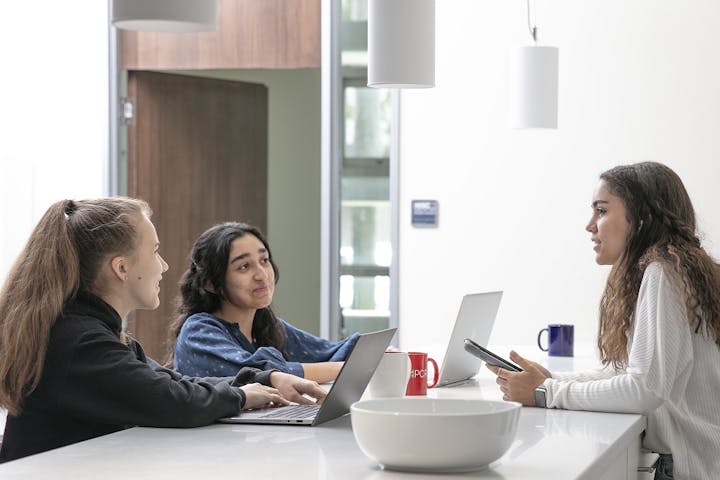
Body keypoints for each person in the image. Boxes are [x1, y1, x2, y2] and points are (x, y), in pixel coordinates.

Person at [0, 198, 326, 463]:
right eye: (155, 251)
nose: (164, 266)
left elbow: (175, 381)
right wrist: (241, 396)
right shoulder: (80, 342)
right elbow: (170, 399)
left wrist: (263, 380)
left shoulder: (98, 334)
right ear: (122, 268)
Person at [487, 162, 720, 479]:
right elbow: (629, 374)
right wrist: (553, 379)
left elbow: (644, 389)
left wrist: (545, 392)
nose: (589, 226)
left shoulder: (662, 272)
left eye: (601, 211)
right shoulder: (680, 268)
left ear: (641, 218)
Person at [170, 222, 359, 383]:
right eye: (244, 266)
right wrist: (350, 369)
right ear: (209, 283)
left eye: (264, 260)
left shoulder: (267, 326)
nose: (262, 275)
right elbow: (263, 374)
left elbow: (329, 353)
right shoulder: (197, 332)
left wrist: (375, 354)